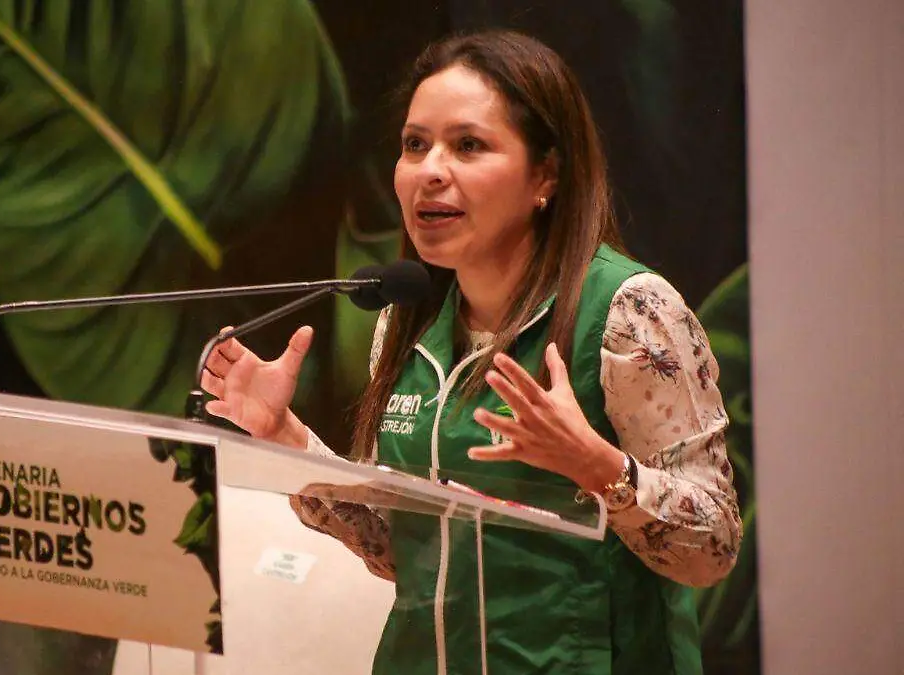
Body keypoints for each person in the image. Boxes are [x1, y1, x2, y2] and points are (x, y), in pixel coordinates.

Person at [200, 30, 741, 675]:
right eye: (414, 144)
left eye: (468, 145)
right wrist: (286, 438)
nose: (430, 171)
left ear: (546, 174)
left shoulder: (630, 312)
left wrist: (596, 466)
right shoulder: (406, 322)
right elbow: (399, 550)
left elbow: (713, 549)